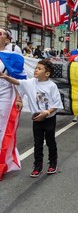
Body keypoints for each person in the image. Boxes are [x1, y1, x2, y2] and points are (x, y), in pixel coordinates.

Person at [0, 59, 63, 177]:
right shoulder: (31, 82)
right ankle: (37, 166)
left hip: (49, 118)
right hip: (37, 119)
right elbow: (17, 82)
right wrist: (4, 76)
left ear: (47, 74)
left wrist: (46, 112)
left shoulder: (52, 86)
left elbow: (57, 103)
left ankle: (52, 163)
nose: (36, 70)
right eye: (36, 68)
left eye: (39, 69)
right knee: (38, 143)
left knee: (50, 141)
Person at [0, 27, 24, 180]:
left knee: (2, 129)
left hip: (5, 95)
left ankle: (1, 164)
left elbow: (18, 80)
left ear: (7, 39)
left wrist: (19, 98)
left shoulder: (12, 56)